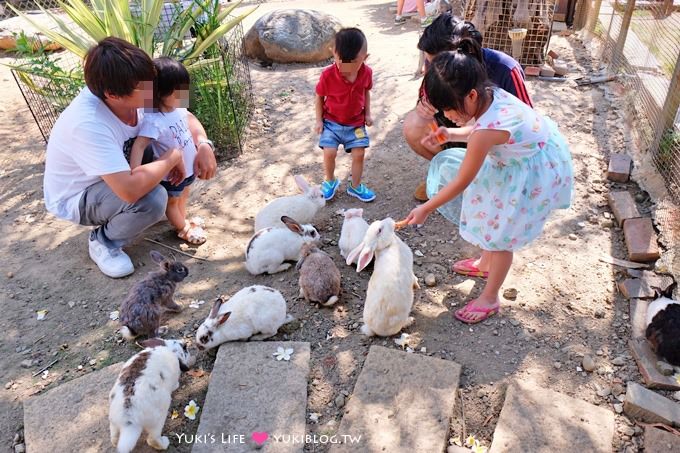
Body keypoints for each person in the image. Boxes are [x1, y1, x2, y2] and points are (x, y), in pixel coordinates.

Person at [405, 39, 573, 324]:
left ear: (470, 96)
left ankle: (491, 296)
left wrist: (426, 208)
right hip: (513, 159)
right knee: (491, 215)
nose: (446, 116)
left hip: (531, 170)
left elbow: (463, 179)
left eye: (448, 110)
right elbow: (480, 127)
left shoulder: (486, 129)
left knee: (501, 235)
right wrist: (452, 134)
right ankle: (484, 263)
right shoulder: (487, 92)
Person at [43, 37, 217, 279]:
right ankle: (103, 242)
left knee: (156, 187)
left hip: (119, 172)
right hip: (82, 194)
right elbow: (129, 191)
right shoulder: (89, 123)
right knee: (153, 200)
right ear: (113, 94)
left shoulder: (137, 91)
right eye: (146, 86)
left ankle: (133, 215)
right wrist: (172, 157)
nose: (154, 89)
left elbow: (183, 116)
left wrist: (204, 145)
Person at [404, 14, 533, 201]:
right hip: (465, 131)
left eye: (435, 64)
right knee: (414, 124)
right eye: (429, 63)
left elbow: (525, 123)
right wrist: (423, 106)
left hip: (496, 141)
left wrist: (425, 210)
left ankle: (481, 181)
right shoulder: (434, 65)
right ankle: (450, 174)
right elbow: (426, 95)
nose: (430, 70)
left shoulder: (505, 68)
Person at [130, 57, 208, 246]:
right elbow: (139, 145)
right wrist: (134, 172)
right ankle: (183, 229)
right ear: (161, 93)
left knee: (184, 194)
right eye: (178, 91)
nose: (185, 94)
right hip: (171, 174)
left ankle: (183, 219)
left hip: (188, 168)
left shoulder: (178, 108)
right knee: (172, 202)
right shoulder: (154, 120)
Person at [315, 27, 375, 202]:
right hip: (331, 123)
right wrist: (319, 120)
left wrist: (368, 113)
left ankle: (355, 186)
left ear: (365, 58)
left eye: (352, 63)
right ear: (333, 53)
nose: (345, 67)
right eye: (341, 61)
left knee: (359, 153)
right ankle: (330, 181)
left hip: (355, 123)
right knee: (329, 151)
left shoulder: (366, 73)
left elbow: (366, 92)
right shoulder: (327, 75)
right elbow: (319, 97)